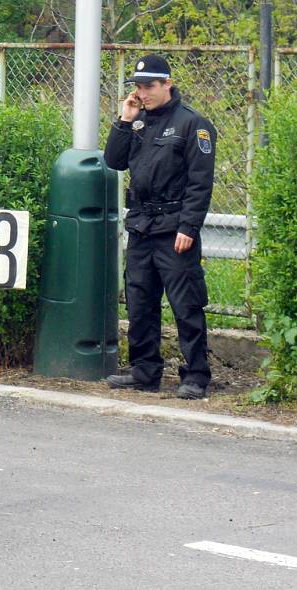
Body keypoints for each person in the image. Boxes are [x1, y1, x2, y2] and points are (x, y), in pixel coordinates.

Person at [103, 54, 216, 399]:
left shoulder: (192, 124)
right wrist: (125, 120)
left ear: (167, 83)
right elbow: (114, 160)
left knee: (186, 305)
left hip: (174, 229)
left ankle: (195, 375)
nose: (143, 92)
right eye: (138, 86)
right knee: (139, 302)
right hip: (141, 226)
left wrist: (189, 227)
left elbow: (200, 184)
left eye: (149, 86)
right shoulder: (138, 122)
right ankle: (145, 371)